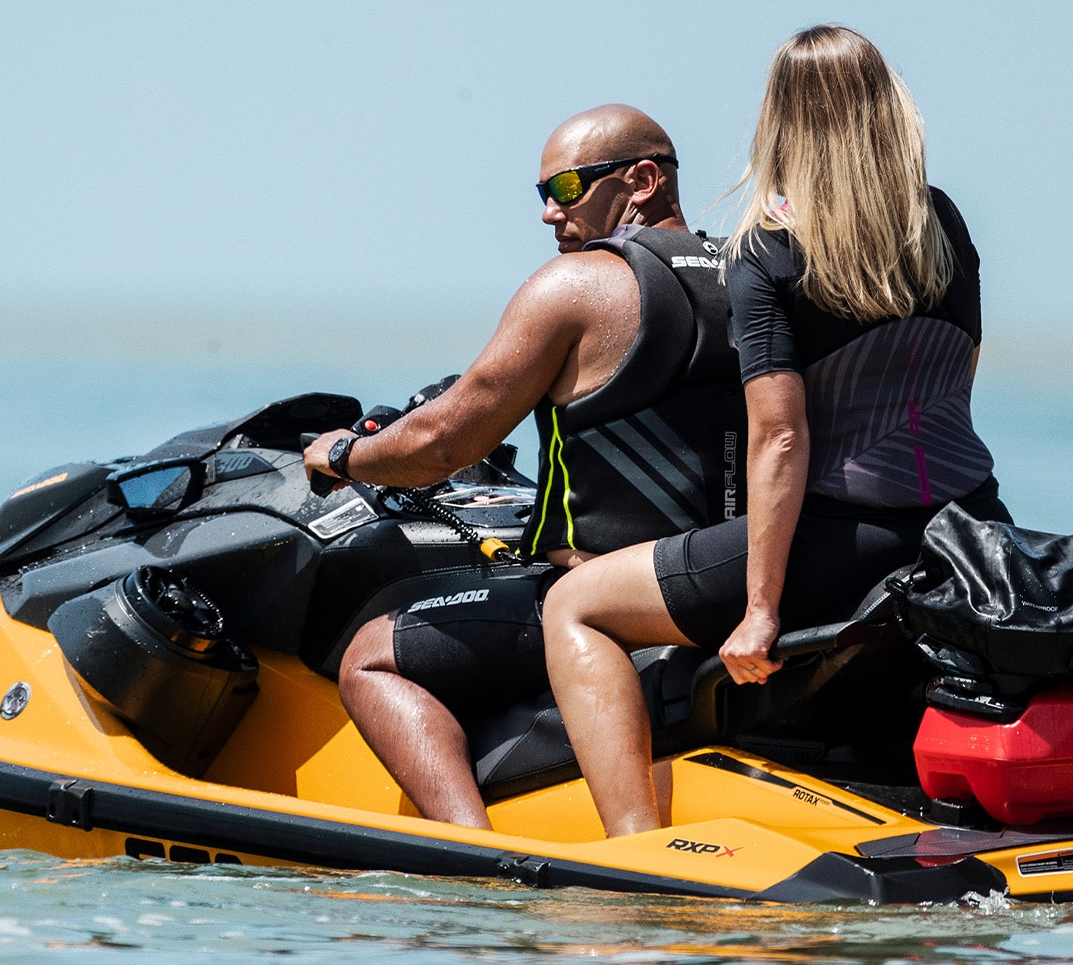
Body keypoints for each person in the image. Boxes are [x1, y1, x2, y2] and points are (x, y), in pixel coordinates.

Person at [541, 25, 1014, 838]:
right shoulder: (942, 227)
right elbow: (954, 384)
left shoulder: (768, 249)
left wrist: (761, 608)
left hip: (842, 544)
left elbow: (781, 439)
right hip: (971, 530)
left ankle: (635, 850)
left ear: (784, 123)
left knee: (576, 607)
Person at [302, 105, 746, 829]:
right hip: (721, 583)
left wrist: (347, 454)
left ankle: (470, 856)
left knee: (371, 655)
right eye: (540, 191)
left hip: (602, 595)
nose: (548, 213)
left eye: (567, 187)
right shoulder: (750, 275)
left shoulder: (579, 286)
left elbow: (443, 445)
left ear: (641, 180)